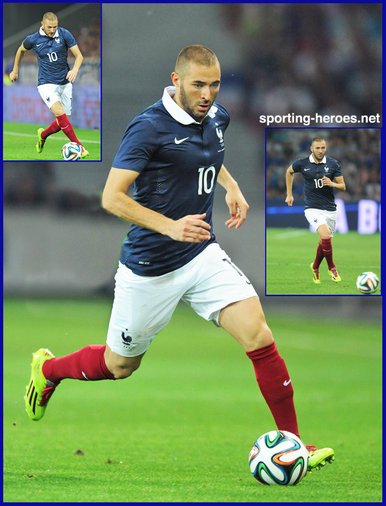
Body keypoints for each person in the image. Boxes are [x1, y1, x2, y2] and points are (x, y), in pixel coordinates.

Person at [24, 45, 333, 472]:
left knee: (259, 335)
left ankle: (296, 443)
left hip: (201, 254)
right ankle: (50, 370)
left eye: (215, 84)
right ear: (176, 81)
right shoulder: (148, 128)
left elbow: (210, 153)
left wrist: (231, 186)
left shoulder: (217, 116)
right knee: (119, 365)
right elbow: (111, 198)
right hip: (150, 266)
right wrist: (169, 225)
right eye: (198, 85)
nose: (208, 94)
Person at [9, 11, 89, 158]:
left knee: (63, 122)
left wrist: (75, 69)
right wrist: (15, 70)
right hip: (46, 84)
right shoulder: (33, 39)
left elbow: (79, 56)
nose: (52, 30)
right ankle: (80, 147)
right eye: (49, 27)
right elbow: (20, 50)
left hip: (65, 83)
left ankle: (43, 135)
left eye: (55, 27)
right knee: (60, 114)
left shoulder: (64, 34)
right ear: (42, 25)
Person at [285, 137, 346, 284]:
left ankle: (315, 267)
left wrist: (332, 184)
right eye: (317, 148)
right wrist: (289, 194)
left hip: (330, 209)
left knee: (324, 241)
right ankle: (332, 268)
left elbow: (343, 186)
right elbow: (289, 172)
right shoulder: (302, 163)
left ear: (326, 148)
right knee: (325, 235)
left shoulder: (333, 164)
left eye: (323, 148)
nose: (320, 151)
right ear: (311, 149)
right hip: (312, 208)